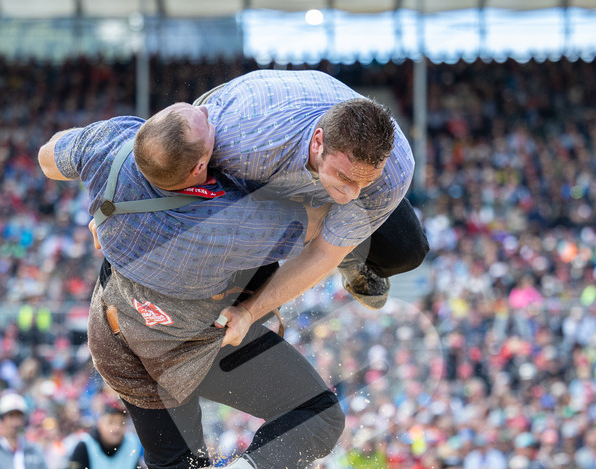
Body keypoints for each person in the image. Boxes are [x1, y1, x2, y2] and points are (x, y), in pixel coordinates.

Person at [39, 108, 345, 469]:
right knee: (320, 415)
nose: (215, 116)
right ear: (203, 164)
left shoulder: (113, 144)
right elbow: (322, 233)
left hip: (118, 335)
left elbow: (48, 156)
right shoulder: (229, 222)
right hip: (195, 343)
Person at [154, 69, 426, 310]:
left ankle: (350, 255)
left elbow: (325, 253)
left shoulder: (397, 168)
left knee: (406, 252)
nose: (352, 194)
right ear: (318, 142)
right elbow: (169, 156)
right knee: (246, 269)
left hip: (300, 155)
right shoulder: (238, 143)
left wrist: (249, 315)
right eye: (344, 177)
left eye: (365, 181)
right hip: (254, 154)